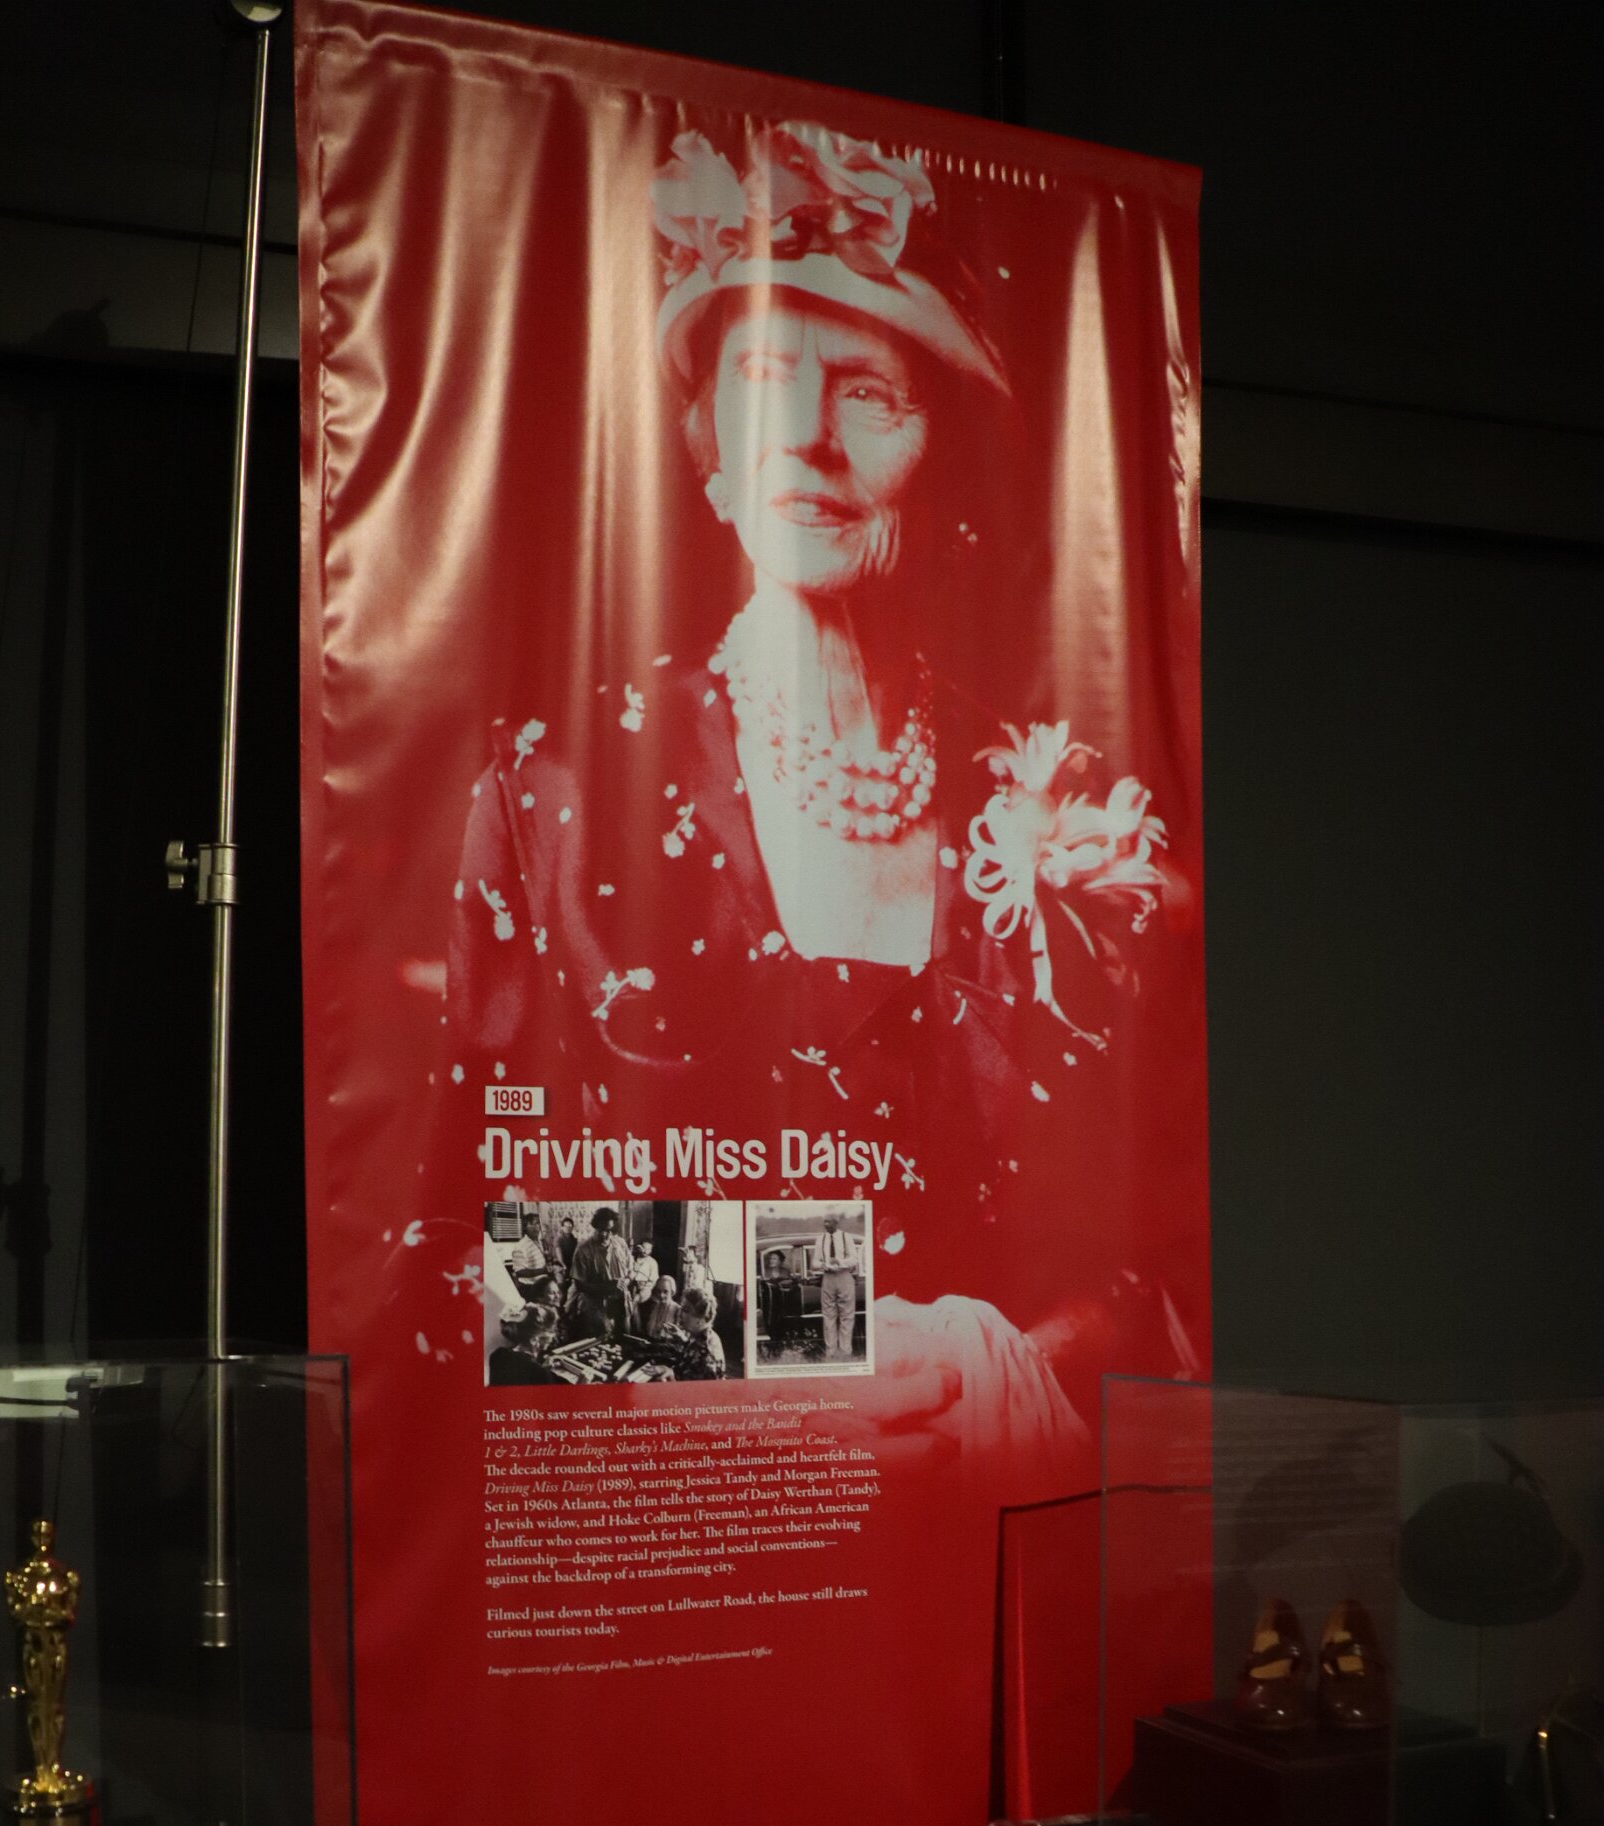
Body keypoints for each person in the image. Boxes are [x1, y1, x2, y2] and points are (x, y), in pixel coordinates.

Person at [449, 120, 1201, 1470]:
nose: (801, 437)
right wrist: (774, 1376)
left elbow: (1150, 1256)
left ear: (945, 449)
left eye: (865, 392)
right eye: (759, 378)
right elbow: (447, 1237)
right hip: (700, 1548)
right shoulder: (553, 786)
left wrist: (1003, 1363)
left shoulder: (1063, 799)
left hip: (991, 1523)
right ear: (708, 447)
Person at [564, 1205, 635, 1340]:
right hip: (595, 1305)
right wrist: (606, 1287)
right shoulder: (583, 1249)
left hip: (620, 1302)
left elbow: (631, 1271)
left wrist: (625, 1282)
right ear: (595, 1227)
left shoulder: (621, 1244)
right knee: (601, 1340)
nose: (604, 1234)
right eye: (601, 1229)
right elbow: (579, 1285)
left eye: (608, 1230)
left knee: (624, 1338)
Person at [816, 1210, 860, 1362]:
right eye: (824, 1221)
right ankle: (831, 1353)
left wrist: (839, 1262)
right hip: (828, 1277)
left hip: (844, 1276)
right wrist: (823, 1265)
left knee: (846, 1315)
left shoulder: (846, 1237)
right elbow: (815, 1262)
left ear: (836, 1222)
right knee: (828, 1316)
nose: (825, 1224)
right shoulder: (821, 1239)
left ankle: (845, 1352)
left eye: (828, 1221)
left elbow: (854, 1259)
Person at [671, 1284, 726, 1381]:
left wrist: (670, 1374)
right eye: (681, 1308)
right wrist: (684, 1340)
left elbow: (688, 1387)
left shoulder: (705, 1351)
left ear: (700, 1318)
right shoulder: (708, 1334)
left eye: (685, 1310)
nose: (679, 1314)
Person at [628, 1240, 661, 1334]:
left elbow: (653, 1280)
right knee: (627, 1299)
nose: (645, 1251)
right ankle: (630, 1329)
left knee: (634, 1301)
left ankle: (637, 1331)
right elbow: (630, 1273)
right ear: (640, 1247)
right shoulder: (633, 1259)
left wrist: (643, 1287)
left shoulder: (652, 1262)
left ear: (651, 1250)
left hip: (646, 1288)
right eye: (643, 1248)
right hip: (633, 1286)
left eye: (648, 1249)